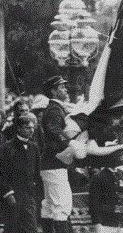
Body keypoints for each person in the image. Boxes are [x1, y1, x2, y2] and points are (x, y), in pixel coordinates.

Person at [39, 75, 74, 233]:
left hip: (50, 162)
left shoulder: (54, 107)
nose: (65, 89)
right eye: (61, 87)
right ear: (53, 91)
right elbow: (54, 129)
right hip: (55, 161)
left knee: (49, 204)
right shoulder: (54, 109)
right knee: (62, 204)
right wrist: (69, 144)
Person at [0, 113, 43, 233]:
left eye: (32, 128)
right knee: (12, 228)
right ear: (19, 128)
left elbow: (37, 173)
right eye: (27, 128)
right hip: (13, 195)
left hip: (29, 195)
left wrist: (38, 194)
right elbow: (1, 173)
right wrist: (8, 193)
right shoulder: (7, 148)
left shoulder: (34, 148)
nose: (31, 131)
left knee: (31, 228)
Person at [89, 151, 123, 233]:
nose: (116, 159)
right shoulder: (98, 177)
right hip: (106, 222)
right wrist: (97, 223)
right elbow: (94, 202)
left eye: (117, 156)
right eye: (112, 157)